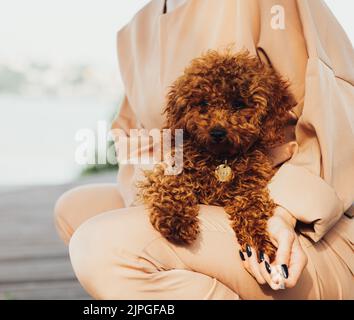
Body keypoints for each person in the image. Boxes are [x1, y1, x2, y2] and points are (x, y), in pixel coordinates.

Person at [54, 0, 353, 299]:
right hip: (200, 189)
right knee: (75, 210)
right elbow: (134, 136)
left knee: (100, 246)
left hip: (302, 228)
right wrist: (163, 190)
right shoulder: (136, 29)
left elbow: (338, 112)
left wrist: (285, 211)